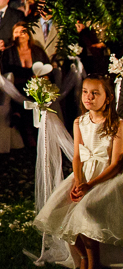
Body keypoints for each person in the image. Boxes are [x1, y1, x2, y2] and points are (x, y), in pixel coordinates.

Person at [34, 75, 123, 269]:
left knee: (83, 213)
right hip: (83, 175)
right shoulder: (79, 122)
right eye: (85, 92)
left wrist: (90, 185)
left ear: (107, 98)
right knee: (58, 211)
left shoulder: (117, 124)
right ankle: (83, 257)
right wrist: (78, 181)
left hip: (106, 178)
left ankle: (93, 263)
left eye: (95, 93)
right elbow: (77, 157)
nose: (88, 97)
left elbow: (116, 163)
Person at [1, 20, 52, 145]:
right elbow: (5, 73)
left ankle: (37, 134)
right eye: (16, 32)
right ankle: (29, 135)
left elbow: (47, 69)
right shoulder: (8, 53)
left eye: (23, 32)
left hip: (37, 87)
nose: (19, 35)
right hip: (16, 88)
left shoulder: (37, 51)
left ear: (28, 35)